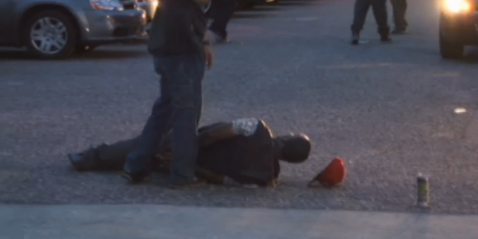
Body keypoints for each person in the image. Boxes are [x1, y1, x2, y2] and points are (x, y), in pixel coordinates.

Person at [123, 0, 217, 188]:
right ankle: (182, 174)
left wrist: (203, 40)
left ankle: (137, 165)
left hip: (175, 42)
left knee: (166, 108)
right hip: (180, 47)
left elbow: (186, 5)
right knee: (186, 112)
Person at [68, 118, 312, 187]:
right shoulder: (266, 179)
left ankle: (90, 158)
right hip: (187, 167)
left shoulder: (259, 128)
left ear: (286, 139)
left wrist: (186, 147)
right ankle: (147, 166)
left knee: (146, 143)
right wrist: (188, 165)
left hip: (188, 146)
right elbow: (222, 180)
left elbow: (219, 132)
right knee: (152, 155)